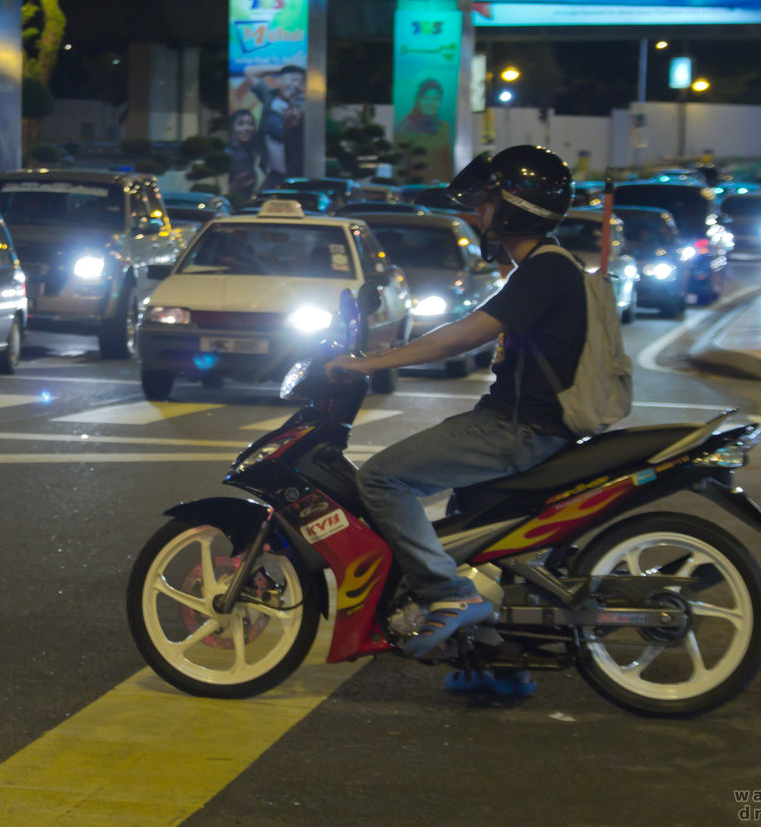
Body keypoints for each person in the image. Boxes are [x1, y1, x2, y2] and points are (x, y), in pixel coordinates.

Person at [323, 145, 585, 668]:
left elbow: (458, 338)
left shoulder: (544, 270)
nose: (476, 215)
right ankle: (488, 650)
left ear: (514, 207)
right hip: (518, 422)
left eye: (485, 204)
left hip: (519, 430)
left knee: (381, 478)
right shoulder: (543, 267)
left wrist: (370, 363)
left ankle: (449, 594)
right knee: (461, 515)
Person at [225, 109, 264, 197]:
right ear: (232, 128)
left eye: (250, 124)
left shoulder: (256, 154)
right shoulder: (227, 154)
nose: (246, 128)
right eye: (240, 124)